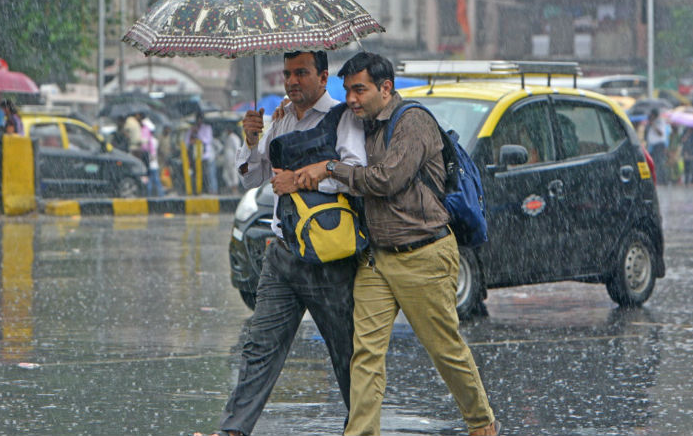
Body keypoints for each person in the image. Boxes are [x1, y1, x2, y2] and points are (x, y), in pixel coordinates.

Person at [295, 52, 499, 436]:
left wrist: (332, 169)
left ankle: (481, 423)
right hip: (377, 260)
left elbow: (387, 179)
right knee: (366, 354)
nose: (351, 100)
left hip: (423, 253)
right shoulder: (362, 126)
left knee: (445, 350)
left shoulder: (413, 122)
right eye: (347, 91)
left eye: (360, 90)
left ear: (386, 89)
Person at [192, 50, 366, 436]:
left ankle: (362, 427)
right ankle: (232, 430)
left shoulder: (343, 118)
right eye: (287, 73)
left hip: (330, 257)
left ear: (323, 77)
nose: (292, 81)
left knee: (348, 354)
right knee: (260, 347)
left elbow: (355, 174)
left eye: (301, 73)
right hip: (284, 254)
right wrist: (251, 140)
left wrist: (303, 179)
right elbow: (253, 179)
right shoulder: (280, 119)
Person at [185, 112, 219, 194]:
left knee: (210, 174)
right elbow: (186, 141)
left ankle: (213, 191)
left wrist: (198, 135)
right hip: (196, 156)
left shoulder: (207, 128)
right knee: (199, 175)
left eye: (200, 119)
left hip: (207, 155)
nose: (199, 121)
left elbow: (207, 140)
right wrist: (192, 134)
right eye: (197, 120)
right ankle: (201, 190)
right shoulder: (192, 129)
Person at [646, 108, 669, 185]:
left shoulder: (660, 122)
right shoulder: (652, 122)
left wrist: (653, 125)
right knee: (654, 162)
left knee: (659, 162)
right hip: (653, 146)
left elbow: (660, 133)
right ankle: (656, 178)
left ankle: (663, 180)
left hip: (659, 145)